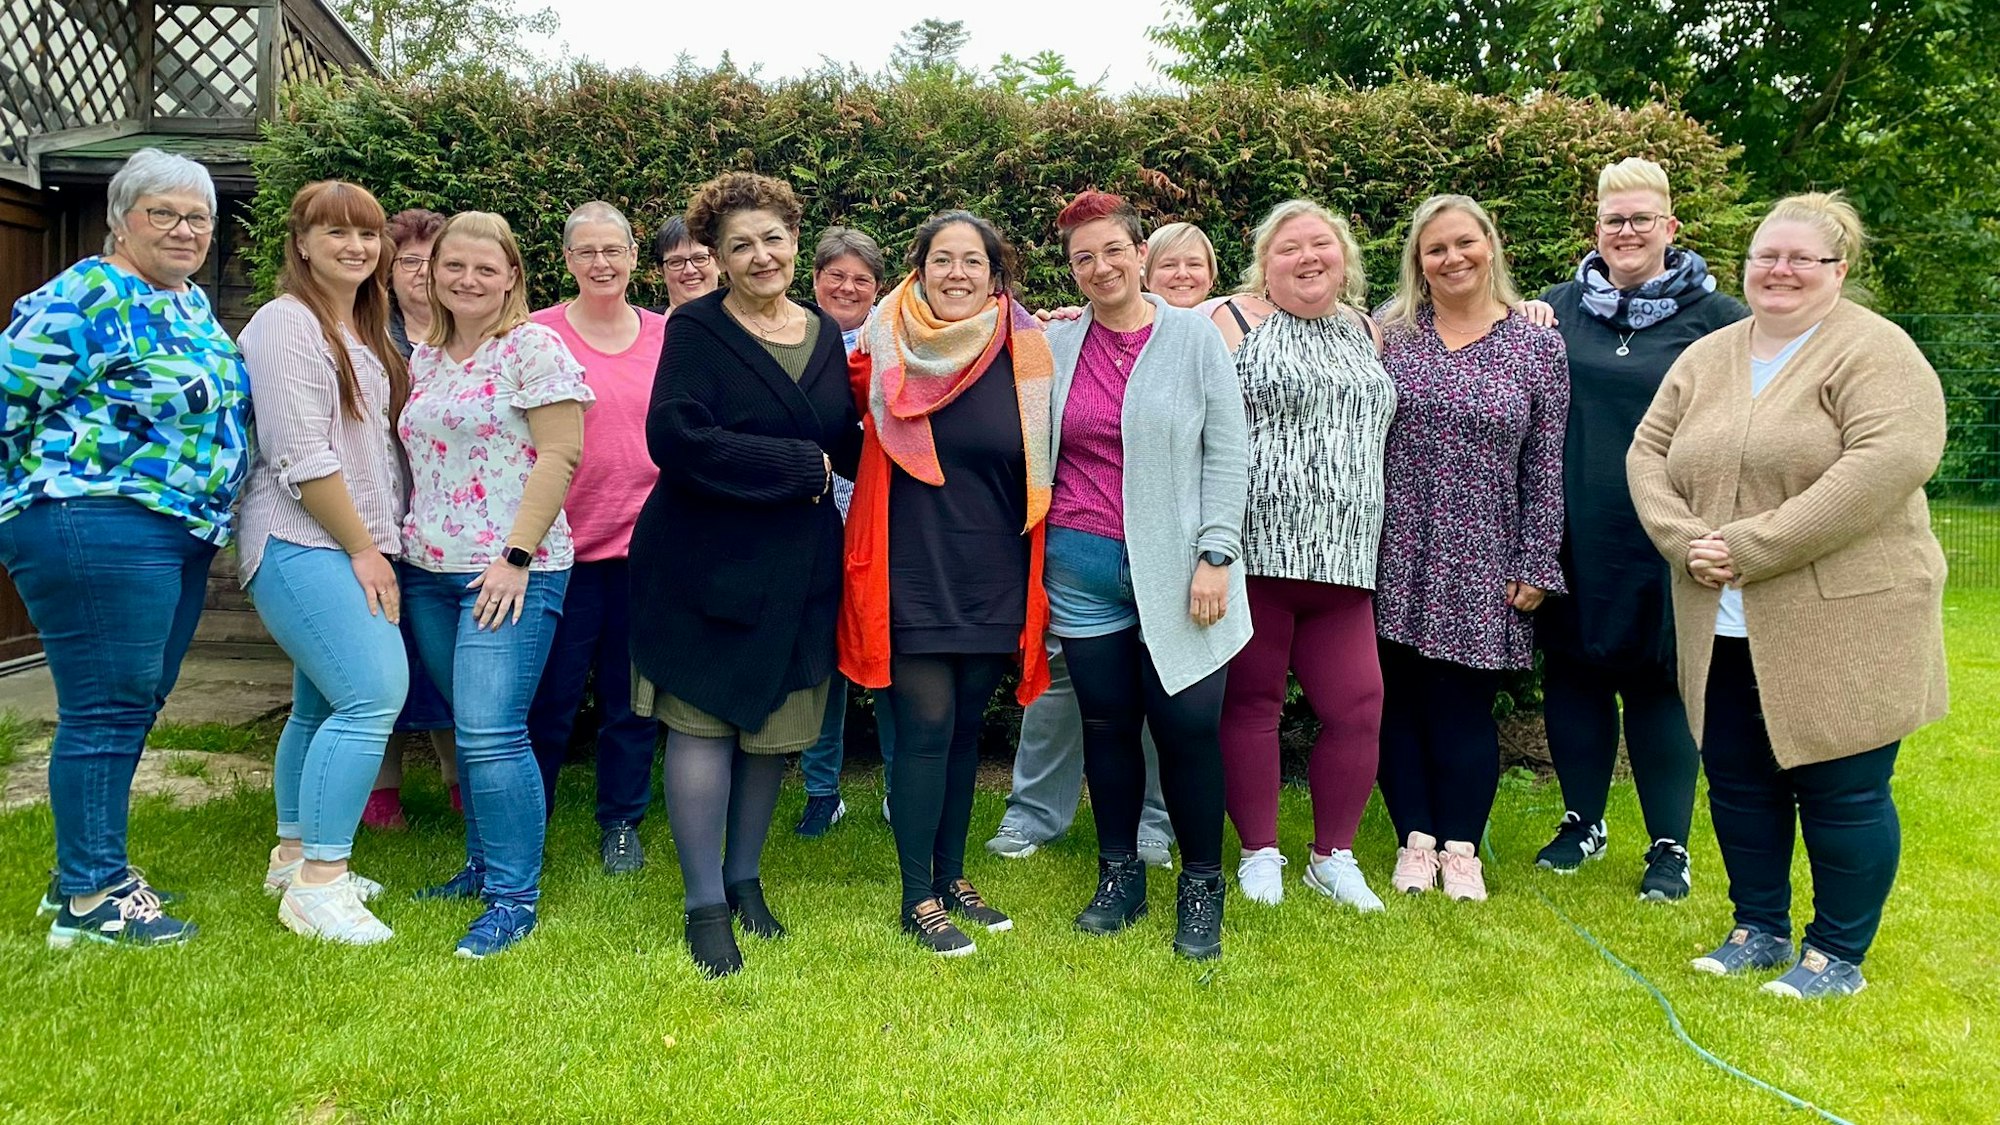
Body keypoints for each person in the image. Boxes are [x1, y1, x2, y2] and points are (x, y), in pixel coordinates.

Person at [1628, 192, 1947, 999]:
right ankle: (1758, 927)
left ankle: (1836, 954)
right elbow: (1647, 452)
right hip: (1721, 615)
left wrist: (1751, 546)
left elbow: (1887, 461)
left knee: (1842, 790)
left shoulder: (1876, 352)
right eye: (1767, 256)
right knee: (1739, 782)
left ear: (1839, 269)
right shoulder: (1710, 356)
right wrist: (1682, 538)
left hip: (1846, 615)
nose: (1781, 271)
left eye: (1803, 258)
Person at [2, 148, 249, 947]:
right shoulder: (85, 295)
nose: (184, 229)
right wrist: (38, 489)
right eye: (164, 213)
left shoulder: (184, 301)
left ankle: (83, 871)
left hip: (174, 528)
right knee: (106, 705)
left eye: (198, 216)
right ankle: (92, 897)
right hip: (97, 520)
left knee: (133, 700)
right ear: (121, 219)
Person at [628, 172, 861, 978]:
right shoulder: (697, 328)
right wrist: (800, 465)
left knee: (774, 731)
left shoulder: (823, 332)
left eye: (773, 239)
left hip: (798, 564)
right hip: (703, 559)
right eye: (741, 246)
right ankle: (703, 904)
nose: (761, 256)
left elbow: (845, 435)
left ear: (795, 240)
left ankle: (744, 879)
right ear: (719, 259)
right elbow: (675, 438)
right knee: (703, 723)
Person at [839, 210, 1053, 956]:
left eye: (973, 261)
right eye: (942, 259)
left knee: (964, 730)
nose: (957, 273)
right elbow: (829, 416)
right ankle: (916, 898)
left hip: (994, 570)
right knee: (925, 729)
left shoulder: (1028, 350)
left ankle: (952, 875)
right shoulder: (881, 346)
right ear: (920, 269)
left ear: (995, 277)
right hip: (911, 567)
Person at [1533, 158, 1747, 901]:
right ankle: (1581, 823)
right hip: (1573, 528)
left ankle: (1669, 846)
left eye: (1641, 219)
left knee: (1661, 684)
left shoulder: (1718, 319)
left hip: (1668, 533)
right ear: (1596, 227)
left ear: (1670, 226)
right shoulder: (1554, 309)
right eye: (1613, 219)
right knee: (1574, 674)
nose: (1626, 232)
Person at [1043, 192, 1250, 961]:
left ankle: (1200, 886)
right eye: (1083, 258)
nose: (1100, 268)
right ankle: (1120, 874)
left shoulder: (1194, 337)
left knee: (1188, 729)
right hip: (1082, 565)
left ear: (1140, 254)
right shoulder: (1058, 342)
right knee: (1106, 727)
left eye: (1112, 251)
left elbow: (1228, 449)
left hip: (1182, 568)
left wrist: (1217, 554)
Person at [399, 211, 593, 959]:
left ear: (512, 275)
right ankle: (480, 867)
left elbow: (561, 453)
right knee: (467, 728)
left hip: (511, 572)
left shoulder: (532, 347)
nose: (469, 280)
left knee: (491, 732)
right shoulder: (425, 356)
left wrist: (515, 554)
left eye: (487, 268)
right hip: (429, 570)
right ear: (432, 272)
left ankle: (514, 899)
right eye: (454, 266)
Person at [1372, 194, 1568, 903]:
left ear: (1490, 245)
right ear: (1418, 263)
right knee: (1397, 703)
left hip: (1485, 550)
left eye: (1464, 242)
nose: (1452, 258)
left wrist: (1537, 560)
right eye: (1436, 249)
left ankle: (1461, 849)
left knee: (1463, 705)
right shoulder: (1389, 335)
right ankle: (1414, 840)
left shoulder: (1537, 344)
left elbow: (1546, 462)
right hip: (1394, 545)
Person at [237, 180, 411, 944]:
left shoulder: (358, 328)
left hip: (340, 542)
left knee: (319, 705)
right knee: (373, 692)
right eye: (335, 231)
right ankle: (320, 884)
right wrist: (365, 549)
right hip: (302, 538)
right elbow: (298, 455)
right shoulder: (287, 323)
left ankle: (293, 855)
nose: (355, 246)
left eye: (367, 233)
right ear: (301, 243)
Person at [1209, 199, 1395, 911]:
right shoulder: (1229, 319)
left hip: (1346, 559)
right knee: (1251, 704)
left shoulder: (1369, 329)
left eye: (1321, 244)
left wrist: (1530, 308)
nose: (1307, 257)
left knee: (1358, 707)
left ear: (1344, 258)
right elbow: (1140, 326)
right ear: (1265, 263)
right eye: (1289, 247)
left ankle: (1332, 855)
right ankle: (1259, 851)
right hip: (1255, 555)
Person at [526, 202, 668, 875]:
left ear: (635, 257)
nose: (601, 263)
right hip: (559, 553)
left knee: (630, 702)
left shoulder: (667, 335)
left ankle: (621, 824)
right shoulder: (537, 334)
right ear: (567, 260)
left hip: (645, 553)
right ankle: (528, 818)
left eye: (613, 250)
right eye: (586, 251)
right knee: (548, 699)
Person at [365, 207, 458, 830]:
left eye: (434, 260)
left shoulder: (474, 332)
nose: (422, 272)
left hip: (451, 522)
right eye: (408, 261)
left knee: (447, 659)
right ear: (389, 271)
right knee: (384, 655)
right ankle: (383, 790)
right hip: (382, 516)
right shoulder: (371, 337)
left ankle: (458, 782)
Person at [797, 225, 888, 837]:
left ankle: (900, 788)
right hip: (812, 516)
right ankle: (821, 791)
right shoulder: (796, 336)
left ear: (877, 287)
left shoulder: (898, 336)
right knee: (822, 659)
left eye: (861, 279)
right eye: (837, 276)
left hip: (879, 514)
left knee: (889, 656)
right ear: (815, 279)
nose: (848, 287)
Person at [1144, 221, 1226, 316]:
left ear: (1210, 276)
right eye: (1169, 265)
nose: (1182, 274)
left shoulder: (1229, 322)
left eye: (1194, 264)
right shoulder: (1130, 323)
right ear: (1146, 278)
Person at [653, 216, 721, 314]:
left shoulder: (741, 322)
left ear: (719, 262)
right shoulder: (642, 322)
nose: (690, 270)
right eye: (676, 262)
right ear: (661, 271)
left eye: (699, 258)